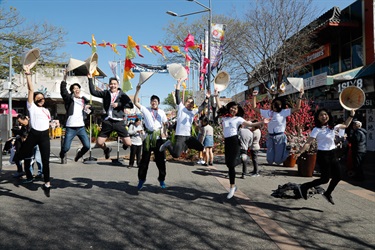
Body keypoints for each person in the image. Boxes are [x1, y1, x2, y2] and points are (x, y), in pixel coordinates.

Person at [215, 89, 268, 199]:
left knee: (232, 164)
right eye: (232, 108)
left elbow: (249, 123)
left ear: (237, 110)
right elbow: (220, 106)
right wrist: (216, 95)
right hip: (227, 142)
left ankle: (242, 158)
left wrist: (263, 122)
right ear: (229, 108)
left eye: (235, 108)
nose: (233, 110)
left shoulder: (238, 119)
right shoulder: (225, 117)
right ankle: (232, 187)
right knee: (229, 165)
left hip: (234, 141)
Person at [295, 108, 355, 205]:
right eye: (321, 115)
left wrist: (351, 115)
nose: (324, 116)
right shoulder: (316, 129)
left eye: (325, 114)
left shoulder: (333, 127)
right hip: (323, 155)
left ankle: (328, 193)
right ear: (318, 118)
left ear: (328, 116)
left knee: (338, 176)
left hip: (333, 153)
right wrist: (300, 152)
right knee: (324, 179)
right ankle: (304, 186)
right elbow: (308, 143)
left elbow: (346, 125)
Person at [14, 65, 52, 197]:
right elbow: (31, 89)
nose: (41, 100)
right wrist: (28, 74)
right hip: (34, 134)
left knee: (46, 160)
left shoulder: (46, 110)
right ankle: (16, 158)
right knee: (24, 153)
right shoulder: (32, 107)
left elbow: (48, 122)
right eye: (39, 99)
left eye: (43, 98)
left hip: (45, 135)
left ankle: (47, 184)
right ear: (35, 100)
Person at [253, 89, 304, 165]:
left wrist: (300, 95)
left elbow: (297, 108)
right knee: (269, 160)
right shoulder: (268, 112)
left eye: (276, 107)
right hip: (270, 136)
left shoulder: (283, 112)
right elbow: (254, 108)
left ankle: (287, 150)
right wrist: (254, 96)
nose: (275, 109)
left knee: (278, 161)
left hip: (279, 136)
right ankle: (281, 152)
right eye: (273, 107)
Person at [88, 75, 133, 159]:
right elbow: (93, 92)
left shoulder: (122, 95)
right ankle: (106, 150)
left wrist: (118, 104)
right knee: (99, 143)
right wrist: (90, 79)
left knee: (128, 143)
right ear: (109, 85)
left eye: (115, 84)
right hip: (108, 121)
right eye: (111, 84)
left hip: (118, 121)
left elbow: (130, 105)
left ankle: (124, 143)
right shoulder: (106, 93)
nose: (113, 86)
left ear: (118, 85)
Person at [134, 84, 168, 189]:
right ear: (150, 102)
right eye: (152, 101)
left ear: (158, 103)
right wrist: (137, 91)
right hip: (148, 138)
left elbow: (165, 123)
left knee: (161, 161)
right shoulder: (145, 109)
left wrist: (164, 132)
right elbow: (135, 102)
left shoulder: (162, 112)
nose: (154, 103)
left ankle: (161, 179)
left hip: (158, 139)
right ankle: (141, 180)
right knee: (144, 161)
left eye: (156, 101)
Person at [159, 80, 205, 158]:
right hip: (180, 136)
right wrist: (178, 84)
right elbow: (177, 96)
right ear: (185, 103)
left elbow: (201, 107)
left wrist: (207, 98)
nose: (190, 104)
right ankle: (169, 144)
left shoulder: (193, 112)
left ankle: (188, 146)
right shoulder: (181, 108)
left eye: (191, 103)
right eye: (188, 102)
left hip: (188, 137)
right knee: (176, 155)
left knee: (201, 148)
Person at [59, 70, 91, 162]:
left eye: (78, 88)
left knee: (87, 146)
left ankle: (79, 155)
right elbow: (63, 91)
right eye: (74, 88)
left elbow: (89, 111)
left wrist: (90, 108)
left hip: (81, 127)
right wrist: (64, 77)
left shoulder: (84, 100)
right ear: (72, 91)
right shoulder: (69, 99)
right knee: (66, 148)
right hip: (70, 127)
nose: (76, 90)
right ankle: (62, 153)